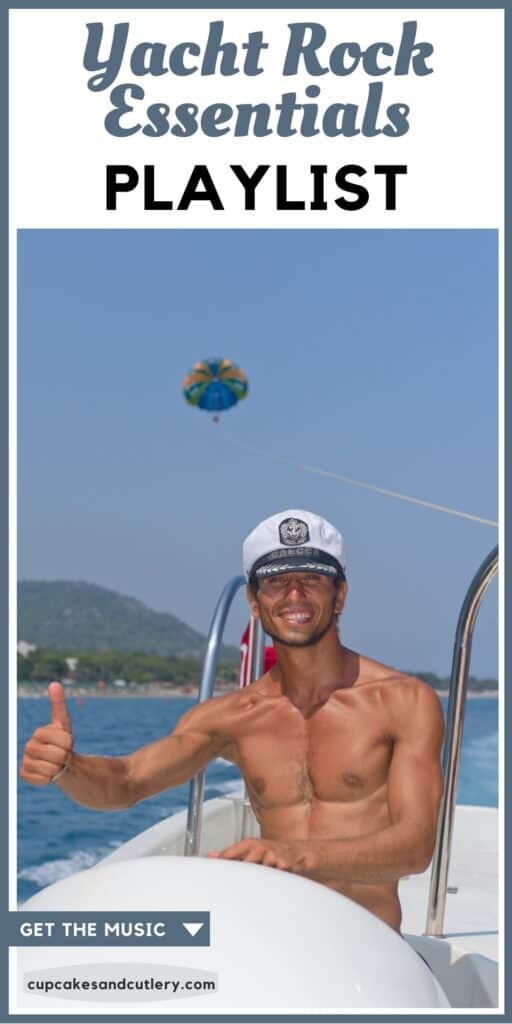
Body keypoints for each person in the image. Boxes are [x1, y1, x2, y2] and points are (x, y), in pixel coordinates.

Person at [20, 509, 444, 933]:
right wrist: (67, 768)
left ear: (341, 595)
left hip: (370, 944)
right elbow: (126, 781)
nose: (294, 595)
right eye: (277, 582)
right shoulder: (232, 717)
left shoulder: (403, 701)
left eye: (312, 579)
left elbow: (415, 845)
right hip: (272, 941)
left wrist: (297, 855)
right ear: (254, 603)